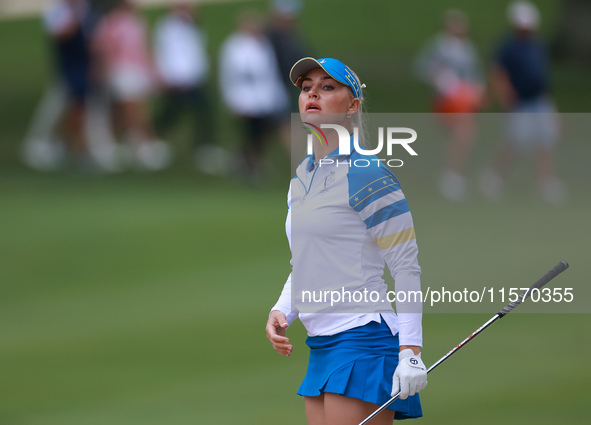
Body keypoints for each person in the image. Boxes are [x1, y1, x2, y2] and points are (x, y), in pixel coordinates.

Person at [266, 57, 427, 424]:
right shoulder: (301, 176)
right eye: (307, 88)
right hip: (321, 344)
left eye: (327, 87)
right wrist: (283, 309)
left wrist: (410, 350)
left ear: (352, 105)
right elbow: (306, 260)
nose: (313, 95)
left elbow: (405, 265)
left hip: (362, 339)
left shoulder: (368, 173)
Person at [480, 1, 565, 204]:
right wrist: (506, 95)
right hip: (520, 102)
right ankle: (494, 176)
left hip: (539, 100)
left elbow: (542, 75)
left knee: (545, 141)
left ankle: (545, 182)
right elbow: (498, 73)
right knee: (516, 143)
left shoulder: (537, 45)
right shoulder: (508, 47)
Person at [92, 0, 171, 171]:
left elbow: (145, 49)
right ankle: (143, 145)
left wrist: (153, 73)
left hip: (137, 72)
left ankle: (129, 144)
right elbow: (104, 50)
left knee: (130, 112)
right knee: (131, 111)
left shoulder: (137, 22)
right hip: (121, 71)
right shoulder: (110, 22)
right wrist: (103, 72)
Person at [415, 9, 484, 202]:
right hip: (446, 101)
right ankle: (452, 175)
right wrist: (440, 78)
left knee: (465, 135)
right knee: (462, 133)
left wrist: (476, 90)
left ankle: (455, 173)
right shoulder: (439, 46)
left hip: (464, 100)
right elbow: (422, 66)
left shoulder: (467, 48)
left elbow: (475, 74)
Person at [218, 10, 289, 180]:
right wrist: (233, 100)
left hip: (264, 99)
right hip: (245, 100)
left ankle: (248, 161)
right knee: (252, 132)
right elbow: (231, 75)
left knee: (263, 132)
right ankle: (248, 164)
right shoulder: (234, 46)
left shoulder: (263, 44)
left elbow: (269, 73)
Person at [153, 1, 217, 171]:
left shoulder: (193, 27)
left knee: (204, 113)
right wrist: (169, 78)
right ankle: (152, 141)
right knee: (169, 115)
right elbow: (167, 53)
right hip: (177, 82)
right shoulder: (167, 27)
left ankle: (204, 148)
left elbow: (195, 53)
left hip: (194, 81)